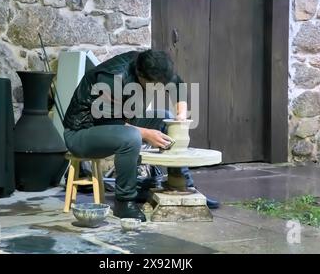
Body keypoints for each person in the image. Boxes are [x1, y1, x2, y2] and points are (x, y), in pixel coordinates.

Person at [63, 50, 219, 221]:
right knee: (131, 137)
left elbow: (177, 87)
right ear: (141, 76)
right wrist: (145, 133)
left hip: (119, 123)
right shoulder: (113, 78)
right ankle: (124, 202)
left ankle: (184, 186)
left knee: (166, 118)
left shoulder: (154, 66)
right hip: (83, 132)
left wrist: (180, 116)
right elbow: (108, 122)